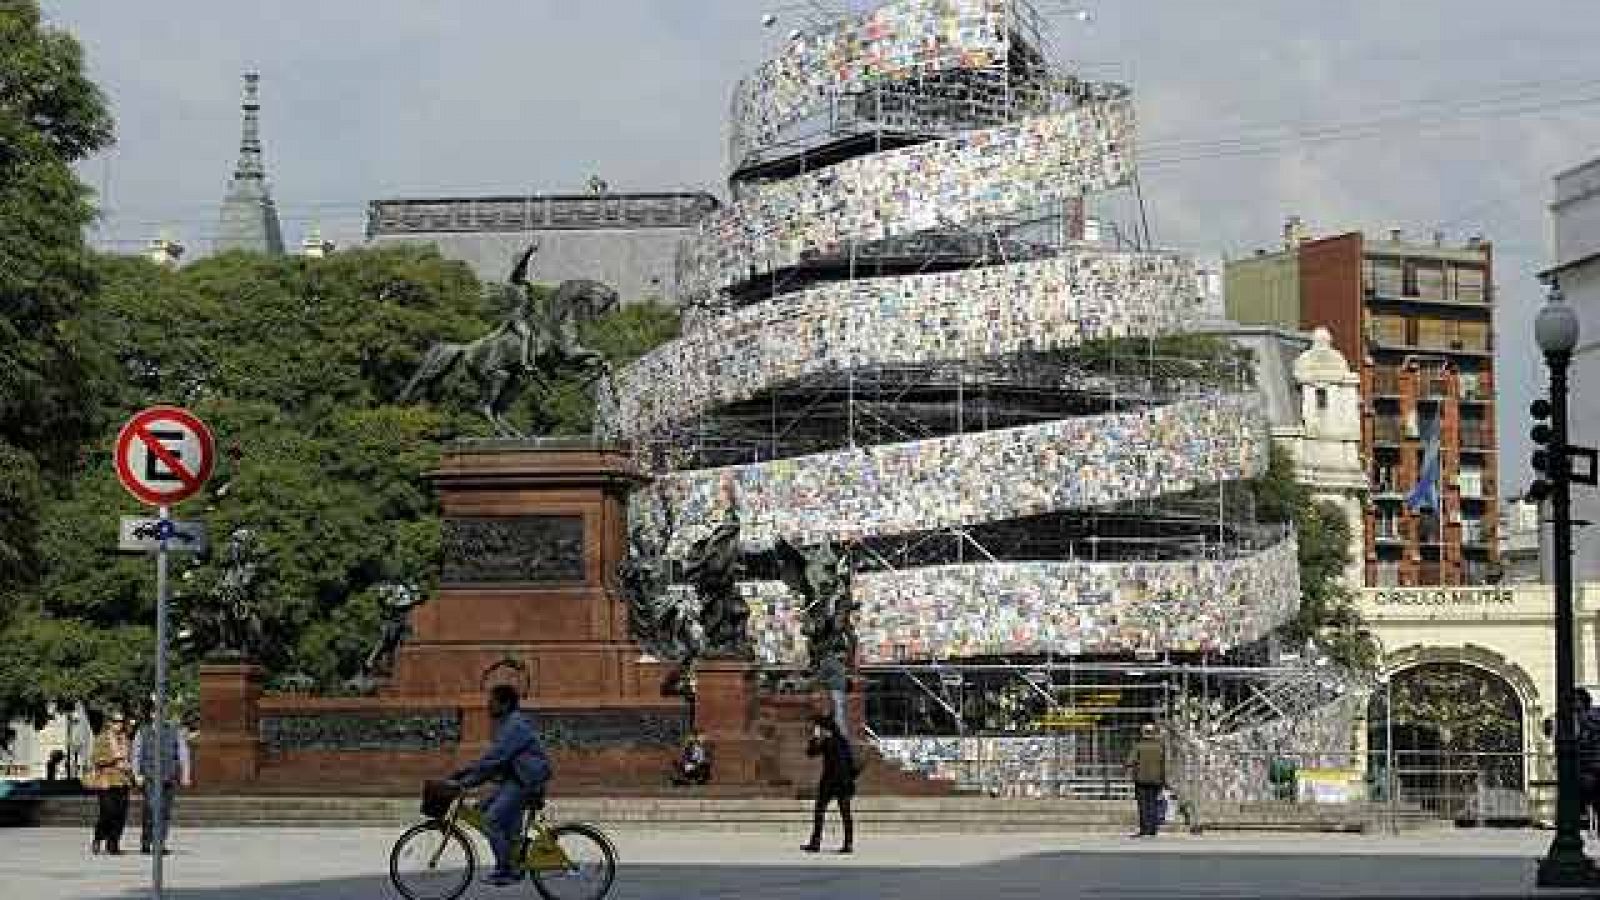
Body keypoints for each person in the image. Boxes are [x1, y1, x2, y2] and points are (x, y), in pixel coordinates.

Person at [446, 684, 552, 887]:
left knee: (490, 821)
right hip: (515, 780)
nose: (488, 705)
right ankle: (514, 853)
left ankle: (505, 869)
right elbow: (492, 762)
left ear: (505, 704)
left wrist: (465, 779)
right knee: (481, 808)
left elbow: (495, 759)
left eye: (492, 701)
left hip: (526, 782)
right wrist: (466, 775)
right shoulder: (507, 724)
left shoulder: (515, 726)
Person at [131, 708, 192, 855]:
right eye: (156, 713)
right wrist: (136, 774)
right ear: (152, 715)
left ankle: (160, 843)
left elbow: (183, 753)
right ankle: (147, 841)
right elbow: (136, 753)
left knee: (164, 812)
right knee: (152, 809)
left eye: (162, 713)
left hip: (168, 777)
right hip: (150, 777)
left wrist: (185, 774)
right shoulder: (143, 732)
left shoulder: (174, 731)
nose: (160, 716)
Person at [802, 714, 856, 855]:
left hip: (830, 782)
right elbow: (851, 762)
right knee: (845, 813)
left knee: (820, 811)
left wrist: (815, 738)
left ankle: (815, 842)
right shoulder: (842, 741)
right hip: (844, 781)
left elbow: (810, 753)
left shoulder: (827, 741)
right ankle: (848, 843)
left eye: (819, 728)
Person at [86, 711, 134, 856]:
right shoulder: (102, 739)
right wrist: (113, 759)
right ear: (109, 723)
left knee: (120, 814)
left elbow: (130, 759)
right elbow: (95, 759)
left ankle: (113, 844)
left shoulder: (125, 739)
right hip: (106, 781)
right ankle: (98, 838)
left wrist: (132, 771)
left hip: (123, 781)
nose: (118, 725)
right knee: (107, 812)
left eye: (120, 722)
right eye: (115, 722)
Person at [1125, 722, 1168, 838]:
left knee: (1143, 805)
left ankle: (1144, 829)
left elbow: (1130, 761)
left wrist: (1130, 769)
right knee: (1153, 804)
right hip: (1156, 780)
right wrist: (1164, 780)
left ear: (1143, 733)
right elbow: (1164, 764)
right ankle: (1153, 829)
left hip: (1141, 780)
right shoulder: (1160, 747)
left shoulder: (1138, 746)